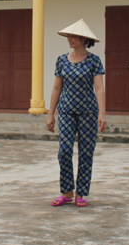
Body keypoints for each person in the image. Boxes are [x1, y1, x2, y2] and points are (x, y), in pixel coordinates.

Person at [46, 18, 107, 208]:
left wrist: (102, 114)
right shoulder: (62, 60)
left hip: (88, 112)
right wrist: (50, 114)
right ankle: (67, 192)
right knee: (64, 151)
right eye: (68, 36)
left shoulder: (94, 61)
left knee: (86, 152)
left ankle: (81, 192)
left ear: (83, 39)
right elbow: (56, 88)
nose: (69, 39)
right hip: (65, 111)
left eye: (73, 36)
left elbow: (99, 88)